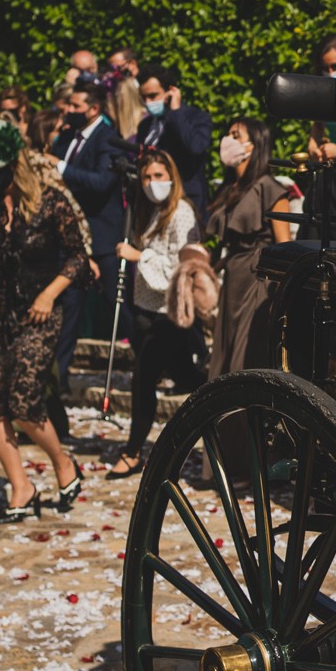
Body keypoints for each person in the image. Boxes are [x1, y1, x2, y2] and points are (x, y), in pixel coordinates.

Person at [0, 118, 88, 522]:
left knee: (24, 404)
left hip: (38, 314)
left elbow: (77, 257)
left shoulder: (51, 202)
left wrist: (49, 294)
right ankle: (21, 486)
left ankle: (63, 463)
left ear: (12, 166)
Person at [106, 151, 201, 478]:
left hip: (170, 310)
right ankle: (218, 420)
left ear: (172, 177)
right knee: (186, 376)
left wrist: (140, 256)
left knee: (143, 377)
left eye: (159, 176)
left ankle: (133, 451)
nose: (152, 183)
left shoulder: (182, 212)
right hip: (146, 305)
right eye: (147, 177)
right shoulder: (150, 211)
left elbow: (182, 266)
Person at [50, 79, 131, 417]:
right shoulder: (66, 137)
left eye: (75, 105)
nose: (68, 110)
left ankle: (159, 366)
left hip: (103, 238)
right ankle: (58, 380)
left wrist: (62, 169)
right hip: (70, 241)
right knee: (69, 309)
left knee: (120, 306)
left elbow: (101, 183)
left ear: (93, 108)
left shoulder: (108, 139)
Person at [207, 117, 294, 380]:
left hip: (258, 277)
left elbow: (284, 246)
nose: (228, 140)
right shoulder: (229, 188)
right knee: (225, 350)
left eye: (236, 135)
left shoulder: (270, 188)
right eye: (228, 134)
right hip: (233, 277)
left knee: (246, 353)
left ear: (254, 144)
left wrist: (280, 296)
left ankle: (245, 407)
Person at [131, 63, 214, 217]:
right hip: (153, 204)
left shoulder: (195, 117)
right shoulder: (146, 125)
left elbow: (195, 147)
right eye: (144, 97)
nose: (148, 102)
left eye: (153, 96)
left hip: (186, 201)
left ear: (170, 91)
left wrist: (176, 112)